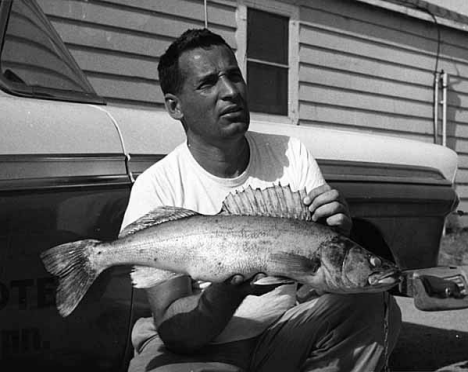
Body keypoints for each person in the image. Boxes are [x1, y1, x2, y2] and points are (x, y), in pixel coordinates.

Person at [121, 28, 401, 372]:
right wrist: (227, 294)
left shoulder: (290, 153)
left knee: (373, 306)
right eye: (208, 83)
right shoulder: (156, 186)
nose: (230, 92)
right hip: (200, 349)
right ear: (175, 106)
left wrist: (340, 229)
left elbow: (323, 278)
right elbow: (176, 332)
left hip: (282, 331)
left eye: (234, 76)